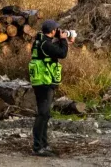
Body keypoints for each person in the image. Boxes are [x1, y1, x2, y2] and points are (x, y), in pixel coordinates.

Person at [29, 20, 70, 157]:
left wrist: (62, 41)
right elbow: (62, 54)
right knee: (43, 114)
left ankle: (43, 144)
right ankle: (38, 147)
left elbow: (52, 51)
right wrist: (63, 40)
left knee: (45, 114)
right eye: (57, 29)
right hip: (44, 82)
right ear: (52, 31)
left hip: (41, 81)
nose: (58, 31)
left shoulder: (40, 41)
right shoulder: (45, 44)